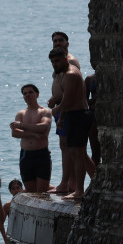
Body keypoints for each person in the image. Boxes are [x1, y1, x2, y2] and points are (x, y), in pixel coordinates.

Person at [48, 48, 91, 201]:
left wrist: (57, 110)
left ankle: (79, 190)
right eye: (52, 62)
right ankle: (88, 186)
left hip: (79, 116)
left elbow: (68, 100)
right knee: (76, 153)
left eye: (57, 61)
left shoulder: (71, 74)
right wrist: (61, 118)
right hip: (72, 115)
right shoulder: (65, 74)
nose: (55, 64)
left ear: (66, 59)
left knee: (78, 154)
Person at [47, 32, 82, 194]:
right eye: (55, 40)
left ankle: (70, 184)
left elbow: (73, 88)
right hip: (62, 108)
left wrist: (59, 106)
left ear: (67, 43)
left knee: (73, 148)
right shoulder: (58, 61)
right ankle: (68, 183)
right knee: (66, 147)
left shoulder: (71, 62)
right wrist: (55, 99)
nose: (57, 42)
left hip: (69, 110)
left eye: (61, 40)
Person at [10, 84, 52, 193]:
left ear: (37, 94)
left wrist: (21, 125)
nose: (27, 95)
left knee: (42, 191)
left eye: (30, 92)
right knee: (31, 191)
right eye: (25, 93)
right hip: (26, 155)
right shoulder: (21, 113)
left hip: (41, 154)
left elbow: (44, 126)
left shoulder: (44, 111)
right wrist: (33, 134)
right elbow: (14, 133)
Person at [0, 179, 24, 244]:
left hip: (24, 235)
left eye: (18, 187)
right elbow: (1, 223)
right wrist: (5, 240)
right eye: (13, 188)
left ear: (22, 189)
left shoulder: (27, 204)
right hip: (12, 236)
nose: (16, 190)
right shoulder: (7, 206)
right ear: (10, 191)